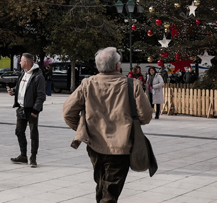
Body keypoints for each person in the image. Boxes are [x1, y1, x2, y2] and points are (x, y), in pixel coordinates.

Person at [63, 47, 152, 203]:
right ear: (118, 66)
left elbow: (68, 113)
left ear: (97, 66)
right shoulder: (132, 85)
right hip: (121, 147)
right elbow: (146, 116)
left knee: (102, 184)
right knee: (110, 192)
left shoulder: (87, 84)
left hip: (94, 145)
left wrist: (83, 128)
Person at [8, 53, 46, 168]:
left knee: (33, 134)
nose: (19, 63)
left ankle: (33, 157)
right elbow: (22, 88)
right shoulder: (23, 74)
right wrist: (13, 91)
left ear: (26, 62)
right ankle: (23, 156)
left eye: (21, 61)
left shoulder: (38, 76)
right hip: (21, 108)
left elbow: (41, 96)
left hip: (32, 110)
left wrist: (35, 110)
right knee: (19, 131)